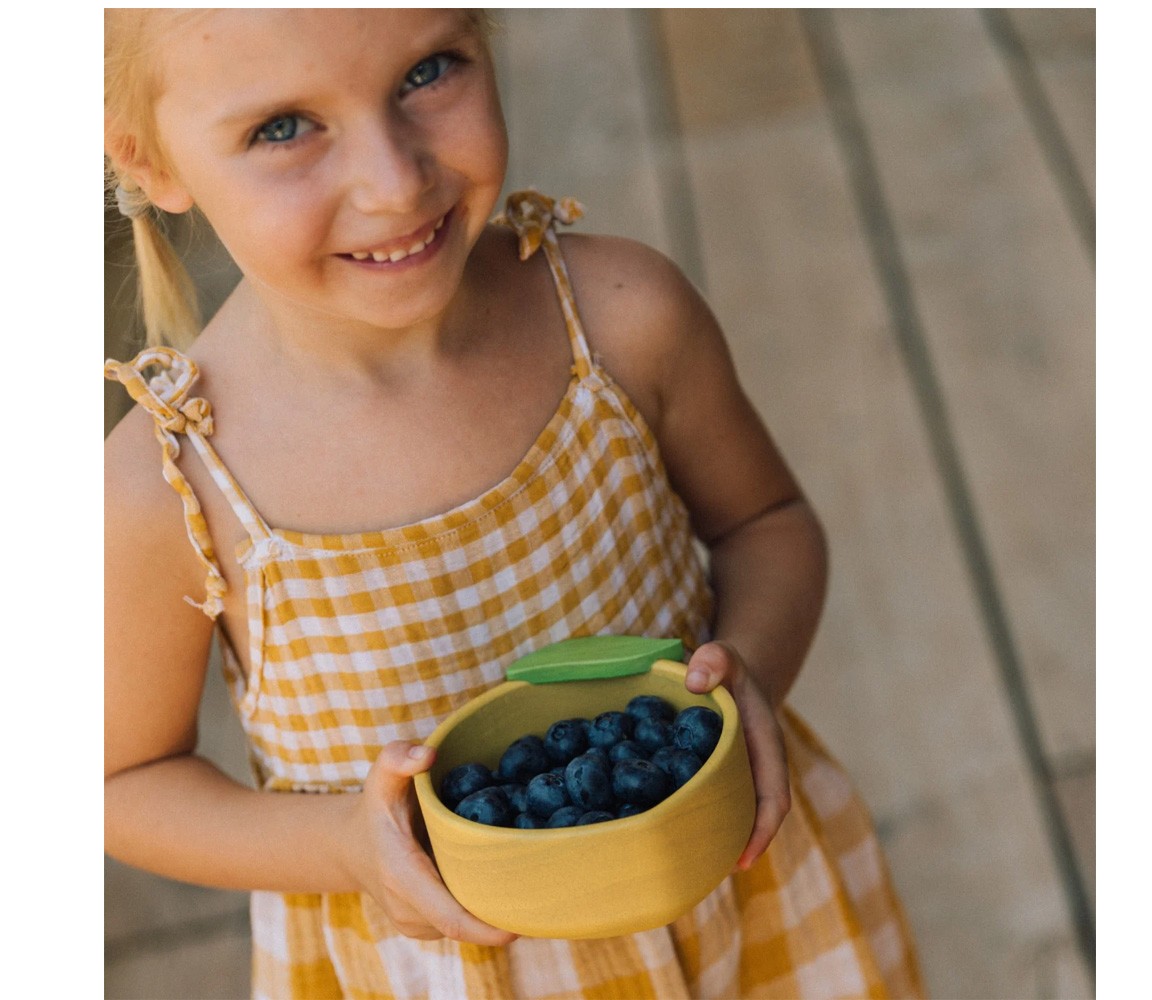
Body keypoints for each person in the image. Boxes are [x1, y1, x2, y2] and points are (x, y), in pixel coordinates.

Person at [104, 9, 923, 998]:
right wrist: (345, 846)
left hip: (734, 903)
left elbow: (767, 525)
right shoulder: (170, 488)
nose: (396, 181)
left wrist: (750, 671)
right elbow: (118, 782)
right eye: (283, 127)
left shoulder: (622, 319)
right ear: (148, 160)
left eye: (428, 70)